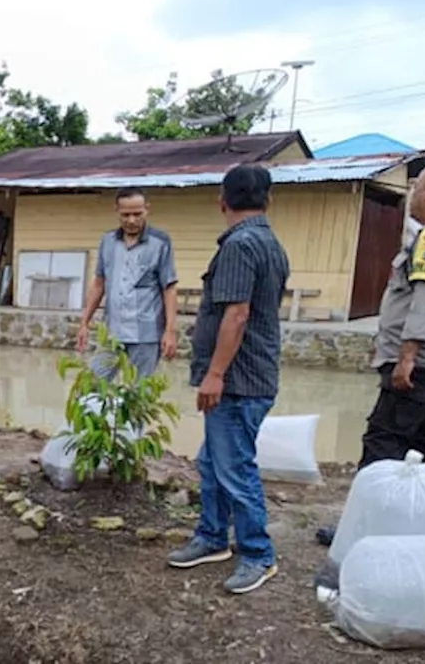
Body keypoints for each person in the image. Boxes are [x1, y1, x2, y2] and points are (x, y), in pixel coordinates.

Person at [314, 162, 425, 550]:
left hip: (424, 358)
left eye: (417, 186)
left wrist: (407, 357)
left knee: (383, 441)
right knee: (421, 440)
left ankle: (360, 531)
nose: (412, 195)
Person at [166, 164, 290, 596]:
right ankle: (213, 536)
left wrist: (215, 374)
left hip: (238, 380)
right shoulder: (270, 242)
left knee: (235, 467)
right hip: (247, 376)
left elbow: (237, 314)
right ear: (267, 200)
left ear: (223, 200)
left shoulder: (241, 245)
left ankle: (258, 554)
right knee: (212, 462)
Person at [76, 186, 180, 379]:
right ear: (116, 211)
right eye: (125, 215)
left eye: (137, 214)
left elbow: (169, 288)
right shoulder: (107, 241)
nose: (131, 220)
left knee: (137, 393)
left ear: (147, 209)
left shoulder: (161, 242)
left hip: (146, 334)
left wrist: (170, 331)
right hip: (112, 332)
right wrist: (84, 322)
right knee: (92, 388)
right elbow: (99, 283)